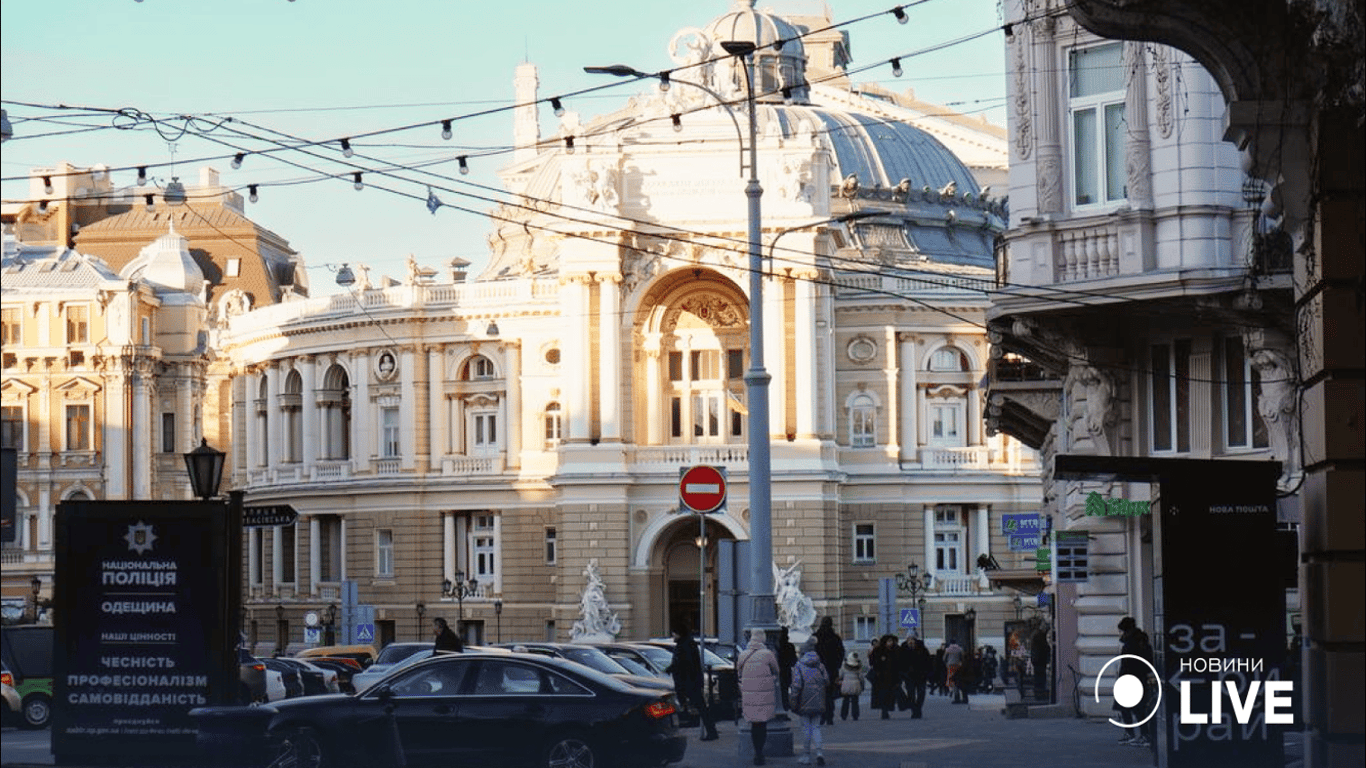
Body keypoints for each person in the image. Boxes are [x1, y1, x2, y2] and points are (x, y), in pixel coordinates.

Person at [666, 621, 719, 741]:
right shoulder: (687, 644)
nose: (672, 635)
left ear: (679, 633)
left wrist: (672, 668)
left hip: (689, 682)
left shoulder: (684, 645)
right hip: (691, 681)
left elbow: (684, 663)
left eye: (674, 633)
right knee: (699, 707)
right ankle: (711, 730)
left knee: (699, 707)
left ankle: (711, 731)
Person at [737, 628, 780, 766]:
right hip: (764, 694)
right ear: (763, 638)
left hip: (749, 694)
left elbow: (739, 672)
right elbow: (776, 671)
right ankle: (760, 752)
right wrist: (771, 679)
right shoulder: (768, 654)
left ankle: (756, 752)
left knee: (754, 724)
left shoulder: (743, 655)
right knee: (762, 724)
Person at [790, 637, 830, 765]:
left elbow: (796, 685)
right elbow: (827, 681)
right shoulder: (820, 665)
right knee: (816, 727)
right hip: (818, 700)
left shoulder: (799, 665)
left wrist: (793, 700)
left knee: (806, 728)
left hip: (804, 701)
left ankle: (806, 756)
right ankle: (819, 753)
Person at [1116, 617, 1154, 748]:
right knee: (1139, 709)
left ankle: (1135, 734)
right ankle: (1143, 735)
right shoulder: (1142, 641)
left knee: (1128, 708)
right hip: (1140, 678)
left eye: (1120, 631)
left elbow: (1126, 664)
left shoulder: (1130, 644)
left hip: (1129, 680)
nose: (1119, 634)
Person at [813, 616, 845, 726]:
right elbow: (841, 653)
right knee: (830, 694)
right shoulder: (835, 638)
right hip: (831, 670)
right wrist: (837, 665)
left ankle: (821, 716)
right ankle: (830, 716)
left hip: (818, 670)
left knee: (820, 694)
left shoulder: (816, 637)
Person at [869, 634, 900, 719]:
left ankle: (887, 708)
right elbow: (872, 661)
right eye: (889, 641)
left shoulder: (896, 650)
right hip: (881, 677)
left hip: (892, 677)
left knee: (890, 695)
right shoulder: (879, 650)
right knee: (883, 695)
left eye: (892, 641)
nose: (891, 643)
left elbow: (899, 663)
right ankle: (884, 711)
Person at [904, 635, 930, 718]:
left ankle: (918, 708)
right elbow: (900, 663)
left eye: (912, 640)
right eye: (909, 640)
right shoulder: (904, 650)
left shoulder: (922, 650)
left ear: (915, 641)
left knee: (921, 693)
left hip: (921, 675)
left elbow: (928, 662)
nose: (911, 642)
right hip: (909, 676)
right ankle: (914, 710)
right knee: (911, 694)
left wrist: (928, 673)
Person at [838, 650, 864, 721]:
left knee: (845, 700)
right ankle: (855, 715)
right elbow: (861, 677)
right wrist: (862, 685)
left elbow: (840, 675)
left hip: (846, 684)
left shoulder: (844, 665)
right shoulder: (858, 666)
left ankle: (844, 715)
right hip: (856, 684)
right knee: (855, 701)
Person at [777, 627, 798, 712]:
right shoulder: (790, 645)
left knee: (780, 690)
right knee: (785, 690)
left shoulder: (777, 645)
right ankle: (785, 707)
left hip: (778, 670)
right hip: (787, 671)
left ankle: (782, 707)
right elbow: (794, 660)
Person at [1031, 628, 1051, 700]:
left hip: (1037, 661)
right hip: (1040, 661)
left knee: (1038, 679)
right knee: (1041, 679)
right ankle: (1040, 695)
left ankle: (1038, 694)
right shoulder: (1040, 638)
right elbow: (1046, 648)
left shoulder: (1036, 637)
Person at [943, 638, 965, 703]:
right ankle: (959, 694)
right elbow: (962, 657)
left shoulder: (948, 649)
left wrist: (947, 663)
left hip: (950, 666)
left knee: (951, 680)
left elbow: (944, 658)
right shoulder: (960, 649)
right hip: (958, 666)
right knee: (958, 680)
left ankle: (953, 692)